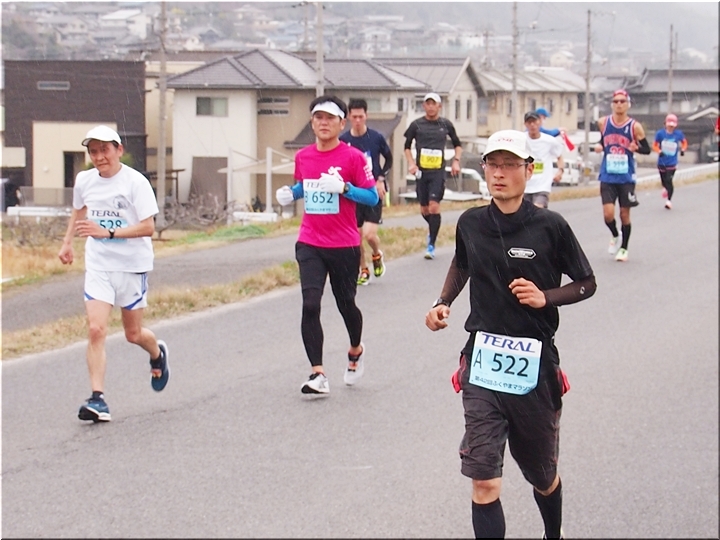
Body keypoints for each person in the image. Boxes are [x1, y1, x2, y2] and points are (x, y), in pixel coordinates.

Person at [425, 129, 597, 539]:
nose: (499, 174)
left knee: (542, 475)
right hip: (482, 363)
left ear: (528, 170)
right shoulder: (470, 222)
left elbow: (587, 282)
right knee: (485, 481)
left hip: (535, 366)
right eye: (493, 165)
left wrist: (545, 297)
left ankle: (552, 533)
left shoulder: (551, 226)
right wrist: (442, 301)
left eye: (509, 165)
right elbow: (462, 263)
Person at [58, 125, 169, 423]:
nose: (99, 157)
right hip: (99, 265)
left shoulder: (136, 182)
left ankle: (157, 354)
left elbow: (148, 227)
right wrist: (67, 242)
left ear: (119, 150)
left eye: (104, 150)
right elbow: (79, 210)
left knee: (133, 334)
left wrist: (107, 232)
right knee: (96, 329)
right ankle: (98, 399)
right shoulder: (85, 180)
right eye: (93, 151)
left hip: (132, 265)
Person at [275, 95, 378, 394]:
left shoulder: (354, 158)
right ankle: (317, 373)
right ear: (312, 122)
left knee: (346, 305)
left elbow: (372, 197)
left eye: (330, 118)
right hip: (310, 241)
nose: (323, 123)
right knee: (310, 304)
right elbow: (305, 185)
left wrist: (345, 188)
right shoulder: (303, 156)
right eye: (318, 117)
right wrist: (291, 193)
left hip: (344, 244)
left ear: (341, 123)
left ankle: (356, 349)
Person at [339, 98, 393, 285]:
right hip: (353, 194)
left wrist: (381, 179)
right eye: (354, 117)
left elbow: (389, 159)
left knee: (369, 235)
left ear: (366, 116)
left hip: (372, 192)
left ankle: (376, 254)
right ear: (348, 117)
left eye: (361, 116)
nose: (357, 120)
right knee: (356, 236)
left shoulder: (376, 138)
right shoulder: (344, 141)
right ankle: (363, 270)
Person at [403, 92, 462, 260]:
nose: (430, 107)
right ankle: (433, 230)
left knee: (434, 206)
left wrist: (456, 161)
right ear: (424, 106)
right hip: (422, 172)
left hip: (438, 171)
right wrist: (411, 163)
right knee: (424, 209)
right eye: (427, 104)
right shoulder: (416, 125)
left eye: (433, 104)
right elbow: (406, 146)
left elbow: (458, 144)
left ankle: (431, 244)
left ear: (439, 106)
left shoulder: (446, 124)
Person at [594, 89, 651, 262]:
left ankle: (624, 248)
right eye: (616, 101)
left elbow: (647, 149)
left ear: (628, 104)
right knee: (608, 214)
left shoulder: (634, 126)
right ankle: (615, 234)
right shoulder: (603, 122)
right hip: (607, 175)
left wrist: (636, 148)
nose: (619, 104)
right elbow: (603, 141)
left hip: (626, 176)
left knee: (624, 214)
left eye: (622, 101)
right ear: (612, 104)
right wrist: (599, 146)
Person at [523, 111, 565, 208]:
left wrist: (560, 171)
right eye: (529, 122)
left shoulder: (549, 141)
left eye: (534, 121)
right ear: (525, 124)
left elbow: (559, 156)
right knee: (525, 214)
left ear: (540, 122)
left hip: (542, 185)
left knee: (538, 209)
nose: (532, 125)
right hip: (525, 186)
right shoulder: (521, 139)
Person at [653, 113, 687, 210]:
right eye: (669, 125)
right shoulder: (660, 134)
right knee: (664, 181)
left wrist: (683, 149)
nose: (671, 127)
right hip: (662, 162)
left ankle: (669, 201)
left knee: (669, 180)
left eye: (673, 126)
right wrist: (659, 151)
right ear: (665, 124)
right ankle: (665, 188)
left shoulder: (678, 134)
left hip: (672, 162)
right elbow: (654, 145)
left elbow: (684, 142)